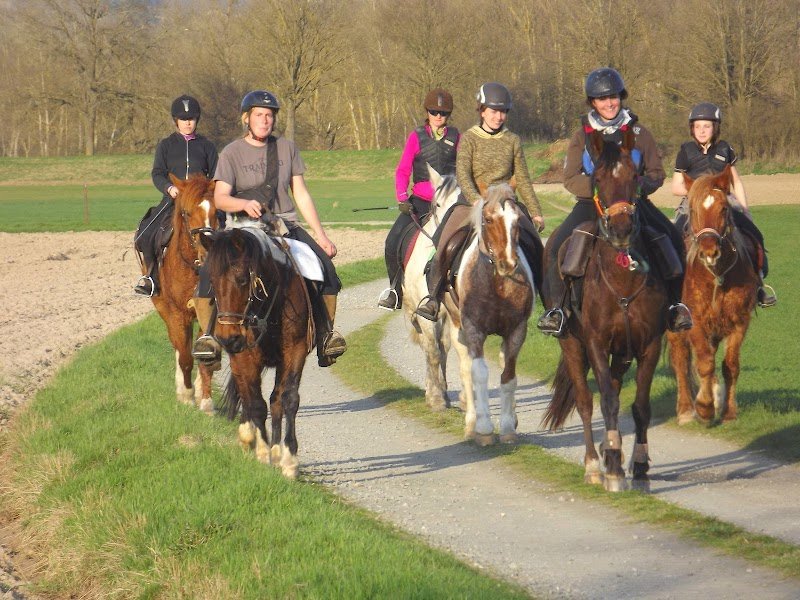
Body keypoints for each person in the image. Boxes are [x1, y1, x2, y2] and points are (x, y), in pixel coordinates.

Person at [193, 90, 346, 367]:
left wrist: (321, 236)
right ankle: (208, 338)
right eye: (259, 115)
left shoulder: (287, 148)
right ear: (246, 119)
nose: (265, 120)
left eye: (269, 116)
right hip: (242, 228)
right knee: (208, 274)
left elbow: (300, 193)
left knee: (326, 270)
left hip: (282, 225)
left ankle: (326, 336)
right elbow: (220, 197)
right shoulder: (231, 153)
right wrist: (243, 203)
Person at [536, 67, 693, 336]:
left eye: (614, 97)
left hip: (634, 204)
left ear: (621, 97)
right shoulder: (581, 136)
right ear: (593, 102)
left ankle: (675, 307)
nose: (609, 103)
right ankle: (557, 310)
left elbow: (656, 172)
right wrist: (602, 191)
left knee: (671, 238)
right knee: (555, 247)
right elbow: (570, 177)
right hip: (592, 204)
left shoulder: (640, 133)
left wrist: (633, 188)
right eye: (602, 98)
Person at [415, 82, 545, 321]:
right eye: (494, 111)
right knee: (445, 240)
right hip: (471, 201)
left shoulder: (513, 140)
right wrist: (476, 199)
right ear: (482, 110)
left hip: (505, 202)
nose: (499, 116)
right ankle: (433, 298)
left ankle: (549, 305)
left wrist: (535, 212)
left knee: (535, 244)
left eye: (503, 111)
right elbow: (463, 174)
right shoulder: (470, 138)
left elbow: (523, 179)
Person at [671, 102, 777, 307]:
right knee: (674, 237)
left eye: (707, 126)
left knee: (754, 234)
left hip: (724, 203)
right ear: (692, 128)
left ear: (715, 128)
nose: (702, 130)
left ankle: (759, 285)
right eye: (698, 126)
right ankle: (674, 295)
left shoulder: (725, 148)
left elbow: (736, 181)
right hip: (693, 204)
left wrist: (745, 211)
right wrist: (703, 190)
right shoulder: (686, 151)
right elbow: (676, 186)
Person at [378, 88, 460, 310]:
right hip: (421, 202)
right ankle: (395, 290)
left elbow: (463, 170)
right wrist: (402, 197)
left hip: (450, 204)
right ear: (428, 112)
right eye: (434, 112)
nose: (438, 117)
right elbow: (402, 170)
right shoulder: (416, 136)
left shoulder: (456, 137)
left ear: (448, 114)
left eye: (442, 113)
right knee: (392, 241)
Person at [134, 95, 218, 297]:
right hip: (174, 200)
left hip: (200, 202)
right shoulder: (166, 145)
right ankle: (151, 277)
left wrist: (208, 192)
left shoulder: (207, 146)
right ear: (176, 121)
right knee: (146, 233)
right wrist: (169, 188)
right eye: (183, 119)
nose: (188, 122)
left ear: (197, 120)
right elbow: (157, 173)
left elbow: (217, 175)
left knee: (225, 232)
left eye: (191, 118)